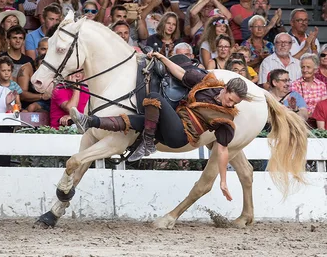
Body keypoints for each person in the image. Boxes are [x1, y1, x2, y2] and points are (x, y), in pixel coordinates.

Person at [71, 56, 250, 200]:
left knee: (155, 96)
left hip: (180, 136)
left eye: (235, 103)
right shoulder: (207, 82)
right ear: (224, 89)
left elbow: (223, 150)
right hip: (170, 125)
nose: (230, 104)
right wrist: (161, 57)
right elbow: (180, 73)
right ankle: (89, 122)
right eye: (230, 99)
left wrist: (223, 181)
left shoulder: (225, 119)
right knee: (138, 120)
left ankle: (147, 143)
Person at [18, 38, 51, 112]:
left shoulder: (58, 69)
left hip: (52, 104)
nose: (47, 53)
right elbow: (22, 94)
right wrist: (42, 96)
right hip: (29, 107)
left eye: (50, 49)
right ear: (37, 50)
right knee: (32, 107)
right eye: (43, 49)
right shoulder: (26, 68)